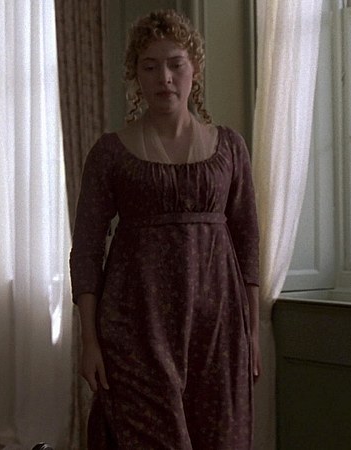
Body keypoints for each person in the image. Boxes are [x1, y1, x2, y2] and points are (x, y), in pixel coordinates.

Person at [69, 9, 260, 449]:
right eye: (150, 66)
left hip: (217, 329)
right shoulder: (110, 153)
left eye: (176, 64)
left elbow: (247, 240)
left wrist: (252, 330)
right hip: (135, 327)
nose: (165, 78)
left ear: (195, 70)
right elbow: (86, 249)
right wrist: (89, 340)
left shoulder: (230, 148)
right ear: (136, 75)